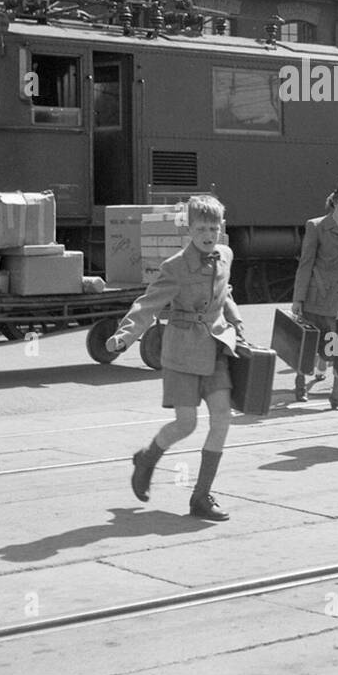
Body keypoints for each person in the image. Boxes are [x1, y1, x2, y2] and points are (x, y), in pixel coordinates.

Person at [108, 195, 247, 522]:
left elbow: (224, 294)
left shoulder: (225, 255)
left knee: (222, 419)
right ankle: (147, 458)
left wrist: (238, 325)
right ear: (189, 228)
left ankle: (200, 497)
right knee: (186, 424)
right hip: (182, 351)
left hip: (215, 348)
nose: (208, 234)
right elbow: (148, 304)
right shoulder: (175, 266)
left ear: (221, 228)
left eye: (214, 227)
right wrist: (124, 335)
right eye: (201, 228)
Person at [292, 178, 338, 409]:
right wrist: (298, 299)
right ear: (336, 204)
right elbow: (306, 263)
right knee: (308, 344)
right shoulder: (316, 226)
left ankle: (336, 395)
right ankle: (300, 384)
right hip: (316, 297)